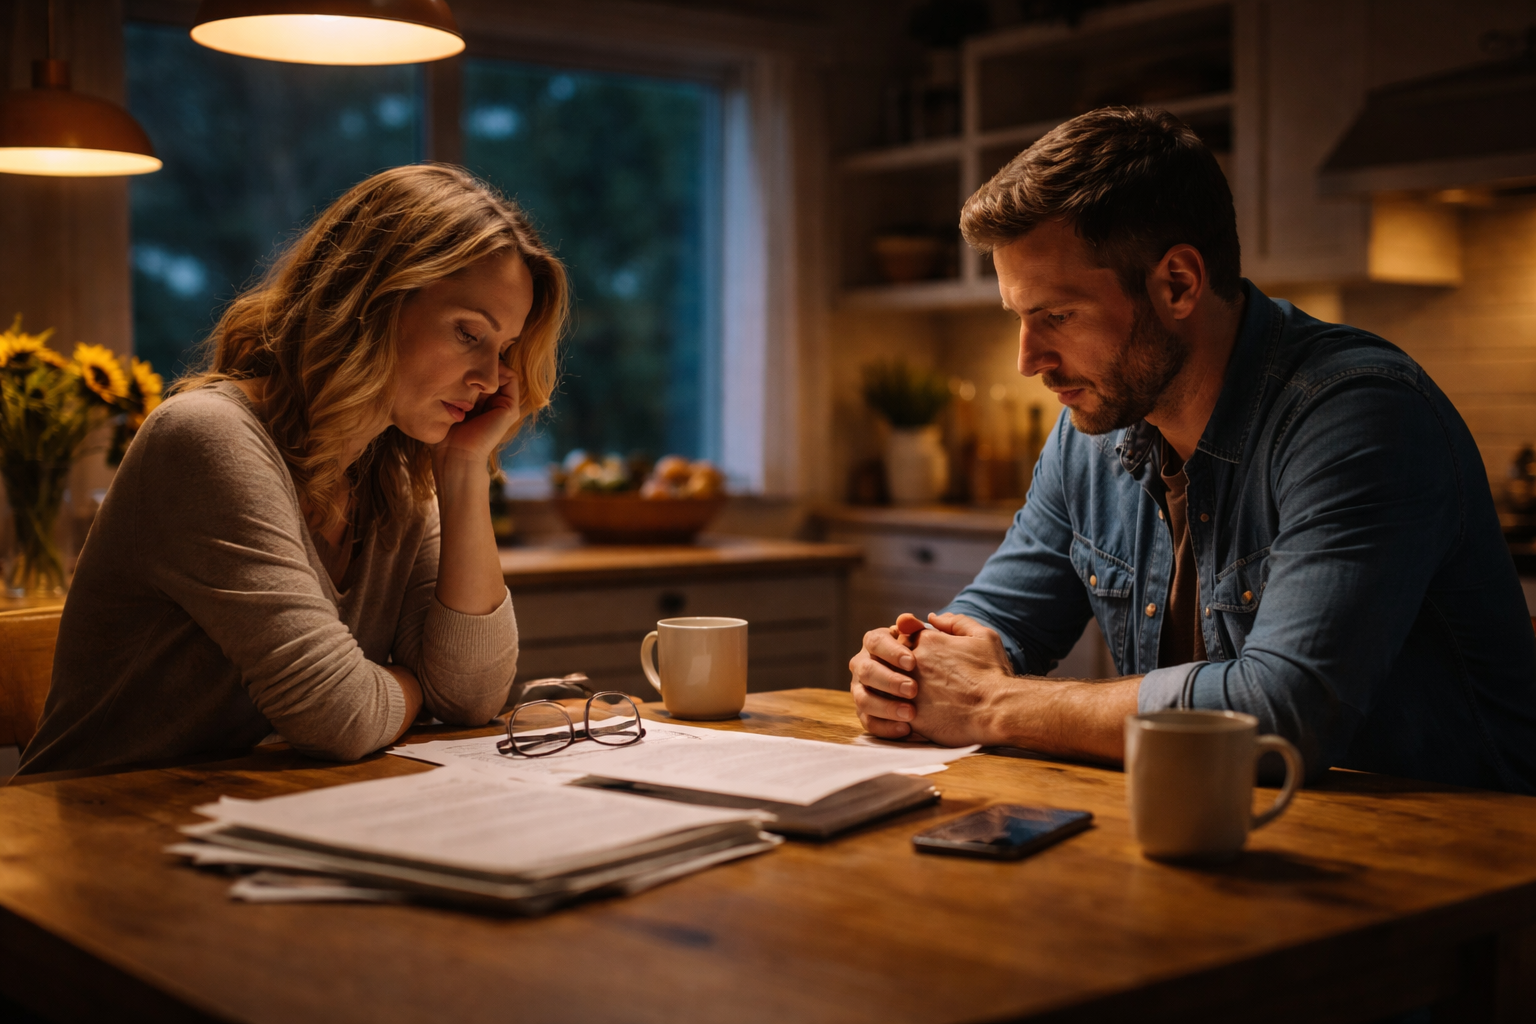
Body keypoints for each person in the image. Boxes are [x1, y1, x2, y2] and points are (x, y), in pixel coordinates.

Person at [849, 107, 1536, 793]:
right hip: (1226, 834)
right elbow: (993, 624)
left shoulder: (1358, 414)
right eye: (1020, 318)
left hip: (1461, 856)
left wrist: (990, 704)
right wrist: (911, 668)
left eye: (1056, 316)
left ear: (1178, 283)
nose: (1029, 360)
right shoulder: (1096, 425)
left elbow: (1280, 714)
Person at [19, 164, 568, 775]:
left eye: (505, 350)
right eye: (469, 333)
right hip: (92, 827)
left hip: (240, 817)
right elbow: (339, 717)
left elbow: (471, 696)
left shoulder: (394, 474)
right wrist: (413, 685)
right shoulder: (207, 438)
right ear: (372, 299)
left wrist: (463, 467)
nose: (491, 379)